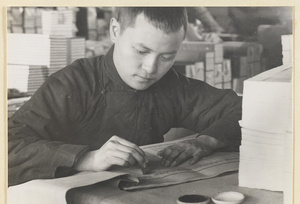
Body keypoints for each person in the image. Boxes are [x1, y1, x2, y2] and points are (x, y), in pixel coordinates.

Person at [8, 7, 242, 187]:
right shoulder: (73, 83)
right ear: (115, 31)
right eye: (141, 51)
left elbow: (246, 109)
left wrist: (205, 141)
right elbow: (9, 145)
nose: (151, 68)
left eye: (167, 57)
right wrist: (86, 159)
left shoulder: (171, 84)